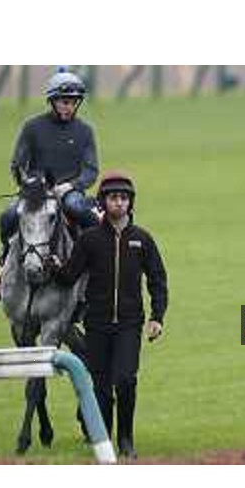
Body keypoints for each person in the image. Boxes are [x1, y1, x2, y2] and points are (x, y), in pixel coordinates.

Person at [55, 170, 168, 459]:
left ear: (131, 203)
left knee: (126, 379)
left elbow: (157, 279)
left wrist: (157, 317)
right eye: (113, 198)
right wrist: (53, 266)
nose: (118, 203)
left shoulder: (142, 239)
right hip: (97, 325)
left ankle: (126, 438)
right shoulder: (90, 239)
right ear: (103, 202)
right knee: (102, 387)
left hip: (130, 324)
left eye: (123, 198)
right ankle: (104, 441)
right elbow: (69, 276)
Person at [0, 67, 99, 298]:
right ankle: (5, 262)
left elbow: (91, 170)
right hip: (36, 191)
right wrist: (29, 184)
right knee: (7, 217)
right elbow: (18, 164)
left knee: (83, 212)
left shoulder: (85, 131)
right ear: (52, 101)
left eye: (73, 102)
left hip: (69, 191)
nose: (68, 106)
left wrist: (71, 186)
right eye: (64, 101)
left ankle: (95, 272)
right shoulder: (32, 127)